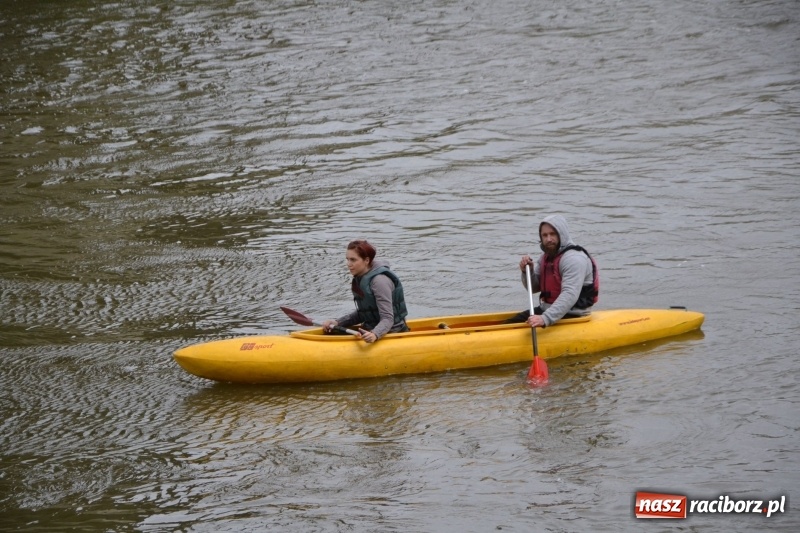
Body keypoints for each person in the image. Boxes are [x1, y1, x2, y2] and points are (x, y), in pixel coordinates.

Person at [507, 214, 599, 328]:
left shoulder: (574, 259)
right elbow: (534, 288)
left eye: (552, 234)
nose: (548, 239)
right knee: (508, 324)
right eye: (544, 235)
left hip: (572, 315)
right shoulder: (546, 257)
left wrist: (545, 319)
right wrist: (527, 272)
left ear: (562, 234)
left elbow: (569, 294)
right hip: (548, 309)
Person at [322, 240, 410, 343]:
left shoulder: (380, 281)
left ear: (366, 260)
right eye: (347, 259)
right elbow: (364, 313)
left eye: (353, 260)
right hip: (371, 329)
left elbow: (387, 318)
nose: (348, 264)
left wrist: (375, 334)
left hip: (393, 332)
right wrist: (337, 322)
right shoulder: (360, 278)